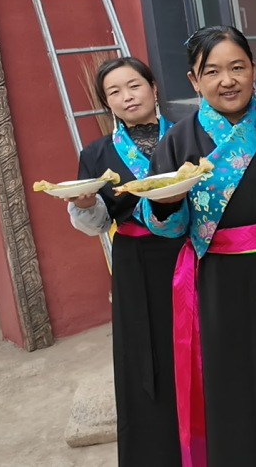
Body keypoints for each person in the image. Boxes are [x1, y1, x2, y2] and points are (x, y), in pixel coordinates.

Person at [135, 26, 256, 467]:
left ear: (254, 70)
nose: (228, 80)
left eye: (238, 67)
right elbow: (166, 226)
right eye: (214, 71)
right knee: (232, 390)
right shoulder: (178, 143)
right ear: (194, 81)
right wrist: (164, 207)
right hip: (221, 286)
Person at [64, 57, 183, 467]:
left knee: (200, 346)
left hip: (192, 255)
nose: (126, 97)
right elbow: (96, 221)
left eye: (133, 86)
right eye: (113, 92)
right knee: (147, 361)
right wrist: (83, 204)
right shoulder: (96, 153)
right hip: (137, 264)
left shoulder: (189, 136)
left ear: (153, 86)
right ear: (106, 104)